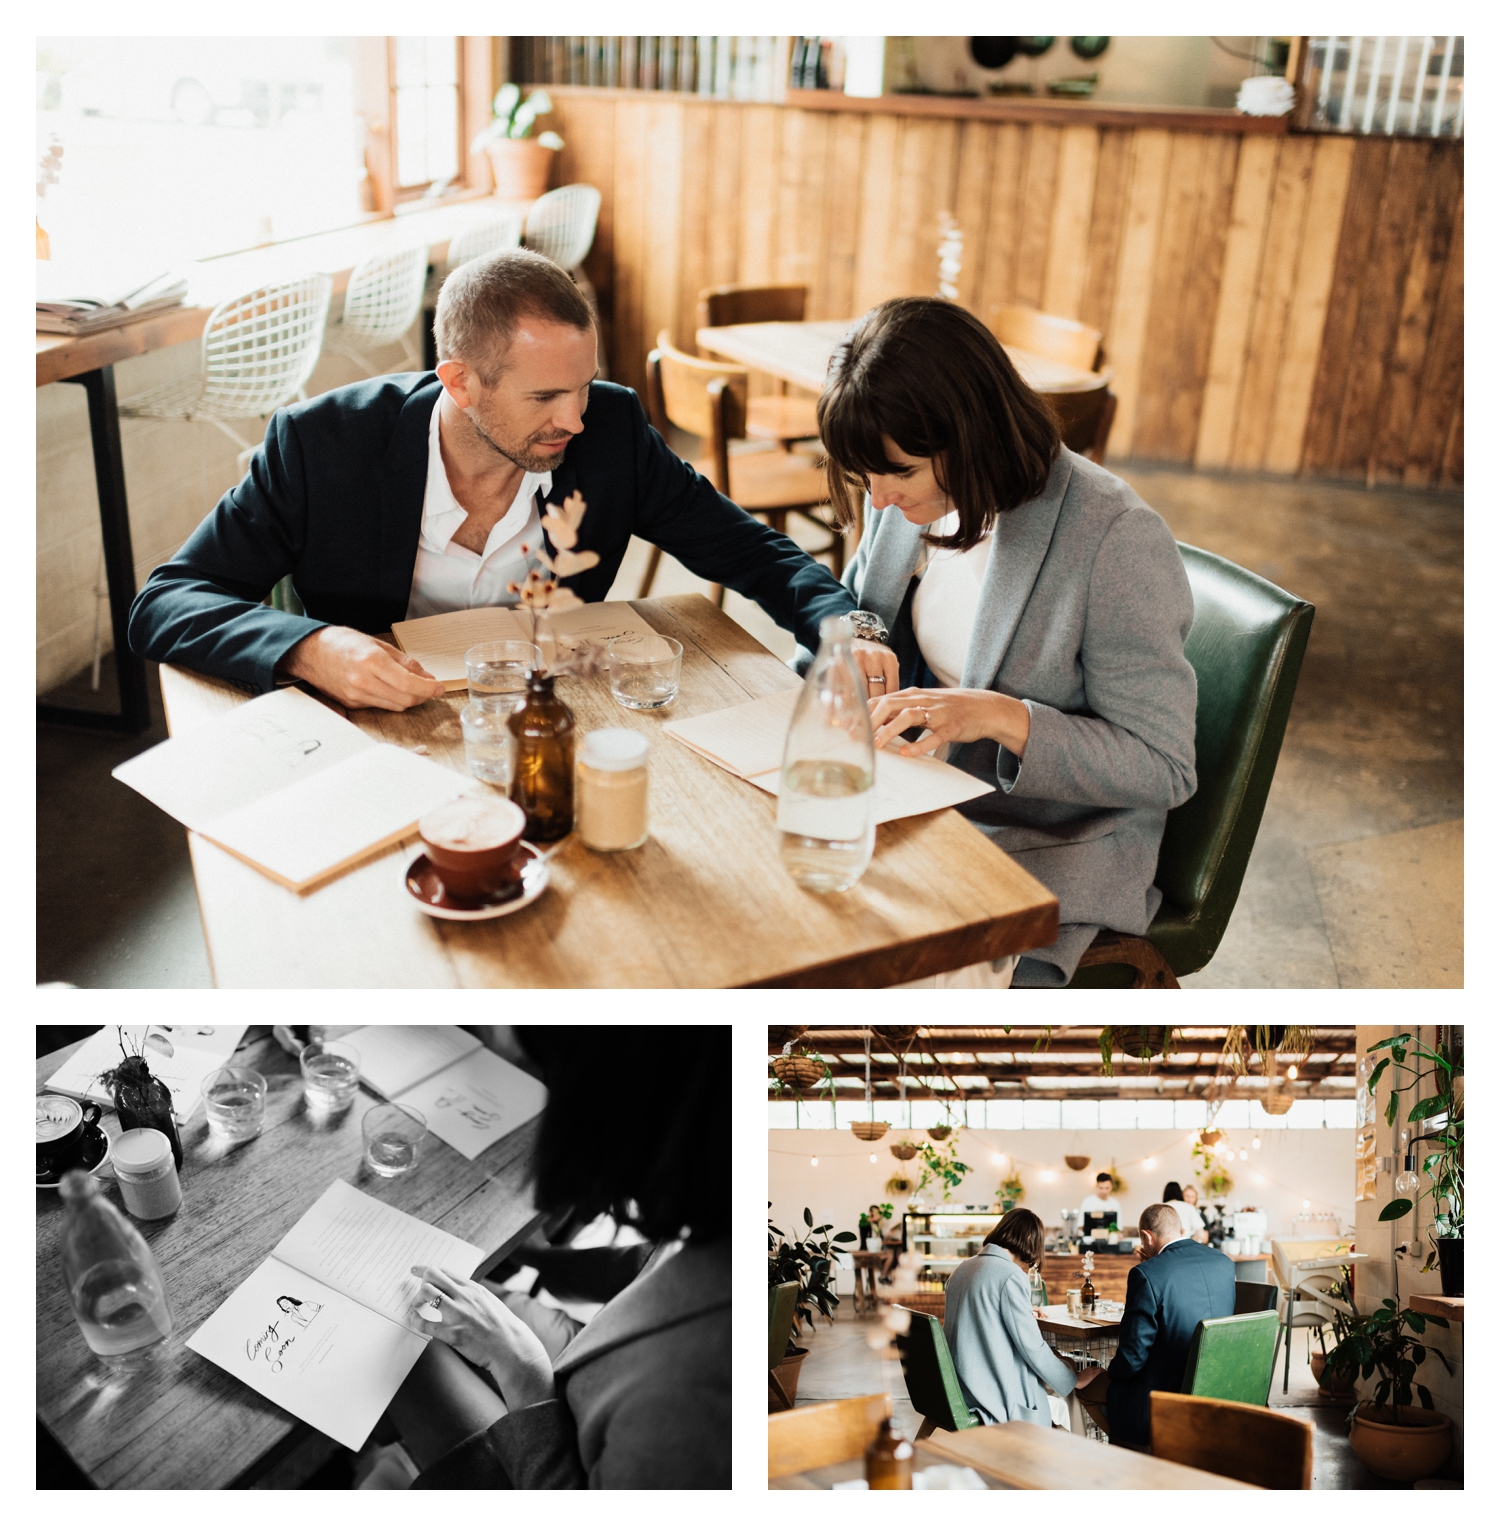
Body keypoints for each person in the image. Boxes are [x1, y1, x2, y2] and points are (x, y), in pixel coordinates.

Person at [127, 250, 855, 707]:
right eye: (543, 398)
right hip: (380, 732)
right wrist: (309, 647)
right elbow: (167, 602)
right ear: (460, 382)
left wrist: (850, 630)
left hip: (549, 717)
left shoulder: (611, 430)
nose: (575, 419)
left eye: (584, 386)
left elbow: (754, 553)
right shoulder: (322, 445)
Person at [818, 297, 1197, 986]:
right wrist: (863, 635)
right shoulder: (907, 496)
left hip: (1046, 845)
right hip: (914, 808)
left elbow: (1164, 766)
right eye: (863, 476)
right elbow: (857, 607)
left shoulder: (1114, 538)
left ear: (969, 436)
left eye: (898, 473)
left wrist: (999, 715)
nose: (876, 501)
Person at [383, 1026, 728, 1488]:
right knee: (461, 1291)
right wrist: (535, 1258)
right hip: (583, 1369)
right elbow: (641, 1265)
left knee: (392, 1326)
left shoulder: (689, 1405)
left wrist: (522, 1371)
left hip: (544, 1463)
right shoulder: (718, 1219)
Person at [1074, 1202, 1235, 1447]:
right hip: (1215, 1383)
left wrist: (1110, 1371)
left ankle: (1141, 1452)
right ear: (1181, 1230)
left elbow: (1133, 1358)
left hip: (1160, 1393)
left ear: (1146, 1236)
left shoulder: (1146, 1274)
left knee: (1086, 1389)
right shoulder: (1223, 1262)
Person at [944, 1208, 1080, 1428]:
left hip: (959, 1386)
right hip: (989, 1392)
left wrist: (1023, 1310)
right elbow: (1031, 1346)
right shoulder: (1010, 1275)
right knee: (1067, 1382)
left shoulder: (962, 1268)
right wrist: (1073, 1380)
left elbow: (978, 1317)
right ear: (1028, 1239)